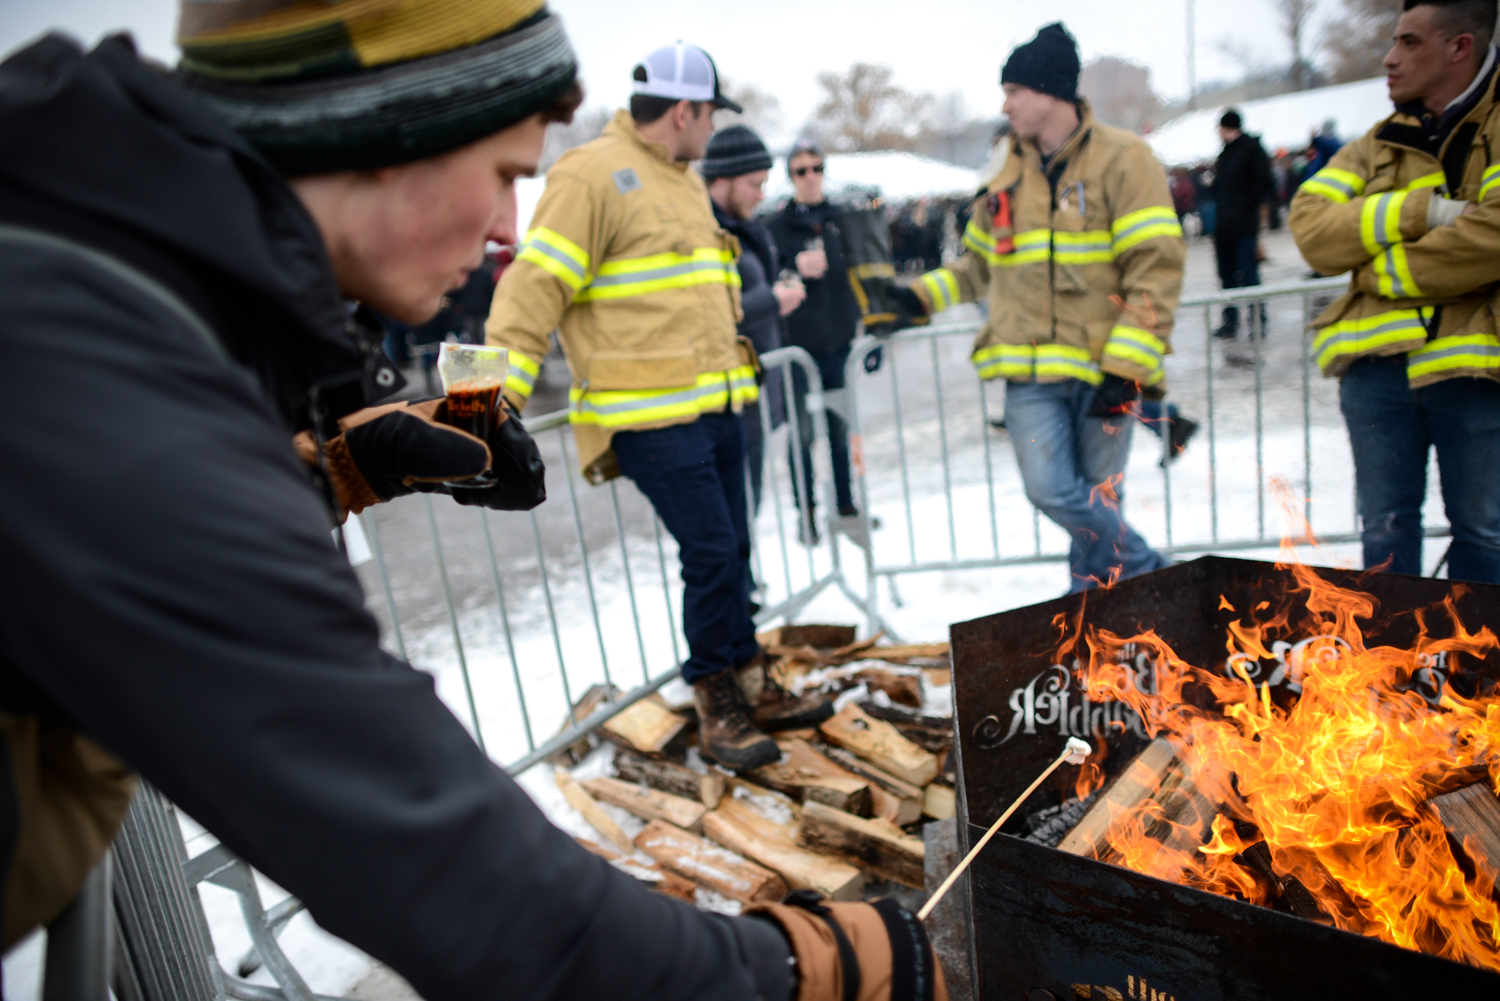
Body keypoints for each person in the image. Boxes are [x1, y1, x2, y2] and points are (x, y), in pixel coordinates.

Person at [0, 7, 940, 998]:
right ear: (375, 130)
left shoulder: (99, 291)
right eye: (500, 174)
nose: (505, 228)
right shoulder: (92, 377)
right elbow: (441, 864)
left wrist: (348, 462)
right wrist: (811, 967)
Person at [486, 43, 833, 771]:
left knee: (733, 547)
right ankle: (718, 700)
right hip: (650, 416)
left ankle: (747, 675)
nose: (713, 131)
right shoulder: (589, 177)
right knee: (710, 553)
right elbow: (533, 288)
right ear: (686, 111)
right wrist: (492, 402)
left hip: (718, 405)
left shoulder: (680, 182)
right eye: (711, 117)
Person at [892, 22, 1181, 593]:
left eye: (1013, 91)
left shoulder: (1126, 159)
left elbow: (1155, 272)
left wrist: (1127, 370)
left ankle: (1091, 620)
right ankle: (1145, 567)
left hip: (1106, 367)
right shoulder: (1005, 170)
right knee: (1050, 490)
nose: (1006, 104)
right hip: (1029, 371)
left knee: (1098, 504)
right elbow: (977, 266)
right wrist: (915, 297)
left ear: (1050, 92)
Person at [1291, 0, 1500, 583]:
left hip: (1477, 372)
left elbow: (1494, 234)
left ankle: (1478, 669)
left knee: (1485, 534)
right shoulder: (1376, 142)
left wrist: (1384, 270)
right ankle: (1391, 668)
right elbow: (1310, 228)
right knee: (1383, 534)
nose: (1389, 58)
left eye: (1409, 42)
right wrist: (1424, 211)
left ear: (1460, 47)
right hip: (1377, 373)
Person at [766, 138, 865, 543]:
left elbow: (862, 266)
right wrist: (793, 268)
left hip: (838, 340)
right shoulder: (775, 225)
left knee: (840, 430)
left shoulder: (842, 218)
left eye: (815, 169)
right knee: (802, 434)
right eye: (800, 171)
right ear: (790, 176)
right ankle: (805, 513)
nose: (809, 177)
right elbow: (767, 276)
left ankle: (845, 504)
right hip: (797, 347)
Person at [702, 124, 803, 516]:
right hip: (726, 399)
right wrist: (771, 300)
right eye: (754, 183)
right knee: (732, 517)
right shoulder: (705, 231)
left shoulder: (746, 226)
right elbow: (710, 310)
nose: (761, 194)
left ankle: (746, 577)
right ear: (722, 178)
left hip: (752, 392)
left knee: (748, 509)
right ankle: (741, 579)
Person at [1211, 109, 1274, 340]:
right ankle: (1230, 321)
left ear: (1230, 127)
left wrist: (1245, 206)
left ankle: (1257, 319)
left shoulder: (1252, 150)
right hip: (1224, 225)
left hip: (1243, 224)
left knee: (1248, 274)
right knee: (1226, 275)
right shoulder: (1225, 153)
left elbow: (1264, 181)